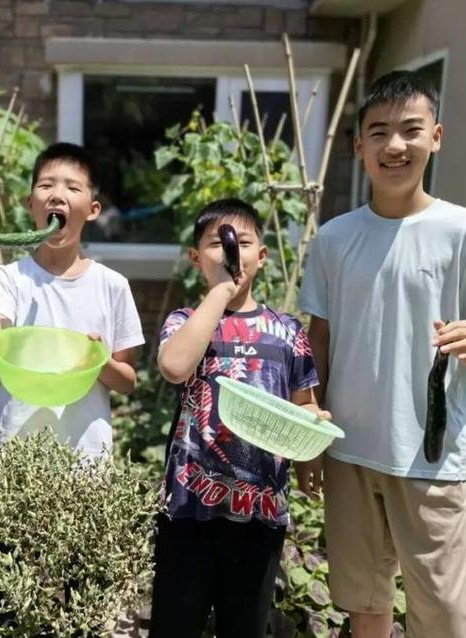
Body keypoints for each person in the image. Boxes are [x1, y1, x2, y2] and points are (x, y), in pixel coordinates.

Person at [298, 70, 466, 637]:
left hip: (431, 457)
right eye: (379, 132)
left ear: (436, 137)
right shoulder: (335, 239)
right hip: (349, 451)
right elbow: (318, 340)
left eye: (411, 130)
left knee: (443, 613)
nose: (395, 145)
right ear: (359, 146)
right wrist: (310, 440)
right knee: (364, 603)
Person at [150, 198, 328, 638]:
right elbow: (174, 366)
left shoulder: (288, 332)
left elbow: (303, 403)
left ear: (262, 256)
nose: (232, 252)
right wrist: (221, 293)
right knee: (175, 625)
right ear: (197, 260)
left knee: (244, 626)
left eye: (243, 242)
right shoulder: (185, 320)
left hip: (259, 511)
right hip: (189, 509)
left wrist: (312, 435)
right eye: (218, 243)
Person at [0, 142, 144, 457]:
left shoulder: (113, 286)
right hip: (18, 458)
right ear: (30, 204)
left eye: (72, 187)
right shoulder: (9, 279)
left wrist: (98, 361)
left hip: (87, 461)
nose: (56, 194)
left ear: (93, 209)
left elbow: (127, 382)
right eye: (46, 185)